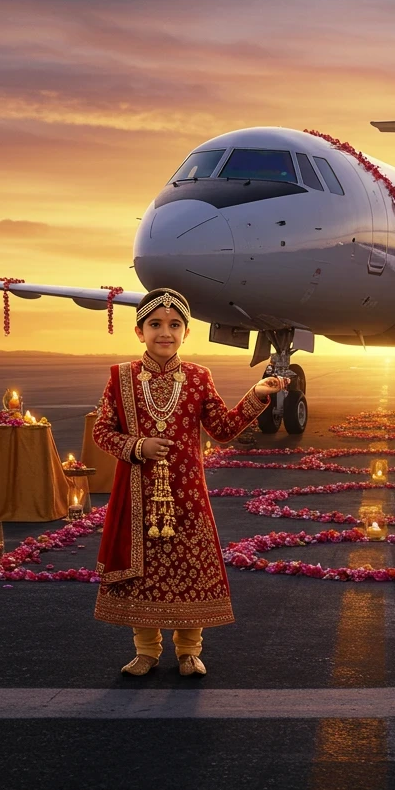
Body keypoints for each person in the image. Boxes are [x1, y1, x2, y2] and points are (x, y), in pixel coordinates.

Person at [92, 287, 287, 677]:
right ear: (139, 331)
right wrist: (138, 446)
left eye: (175, 324)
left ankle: (189, 652)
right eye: (156, 324)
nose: (165, 332)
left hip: (188, 498)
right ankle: (145, 652)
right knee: (141, 576)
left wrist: (257, 395)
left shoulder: (198, 378)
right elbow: (102, 431)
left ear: (186, 332)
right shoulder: (122, 377)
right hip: (139, 498)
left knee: (191, 572)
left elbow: (223, 429)